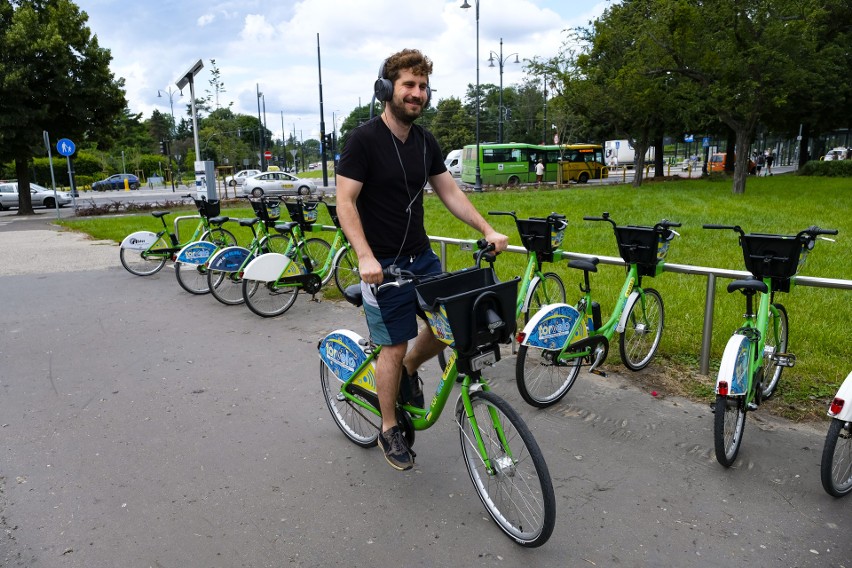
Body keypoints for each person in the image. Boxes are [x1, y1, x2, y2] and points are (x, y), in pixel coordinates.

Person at [335, 48, 509, 472]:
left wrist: (486, 230)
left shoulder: (425, 141)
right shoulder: (363, 141)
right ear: (386, 89)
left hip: (422, 258)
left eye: (423, 86)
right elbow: (345, 201)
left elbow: (450, 192)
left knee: (450, 325)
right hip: (382, 265)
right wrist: (364, 256)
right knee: (393, 344)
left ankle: (412, 368)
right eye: (408, 85)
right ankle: (389, 426)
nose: (417, 93)